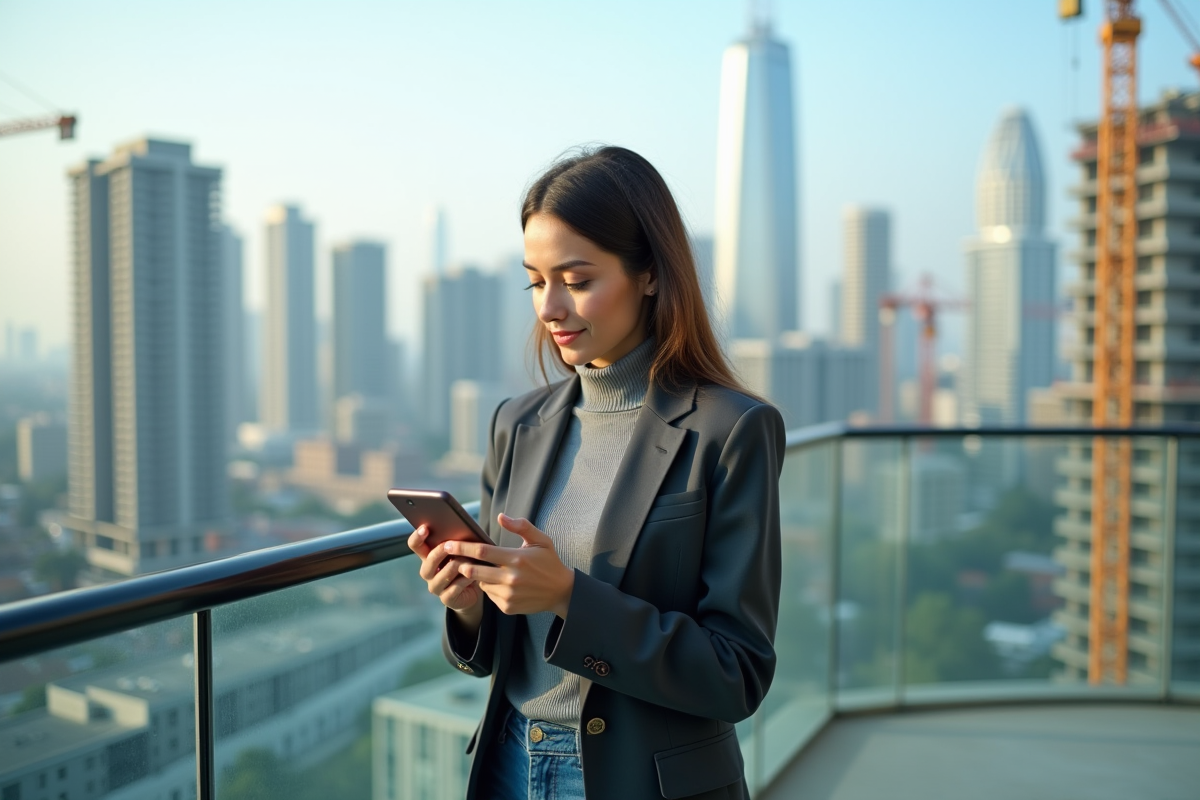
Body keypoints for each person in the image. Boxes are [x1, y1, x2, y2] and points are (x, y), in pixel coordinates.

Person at [408, 146, 784, 800]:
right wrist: (468, 605)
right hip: (508, 765)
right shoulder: (516, 424)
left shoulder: (730, 430)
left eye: (577, 280)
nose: (550, 307)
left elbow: (737, 674)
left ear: (649, 274)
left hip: (640, 781)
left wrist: (569, 598)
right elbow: (496, 653)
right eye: (535, 280)